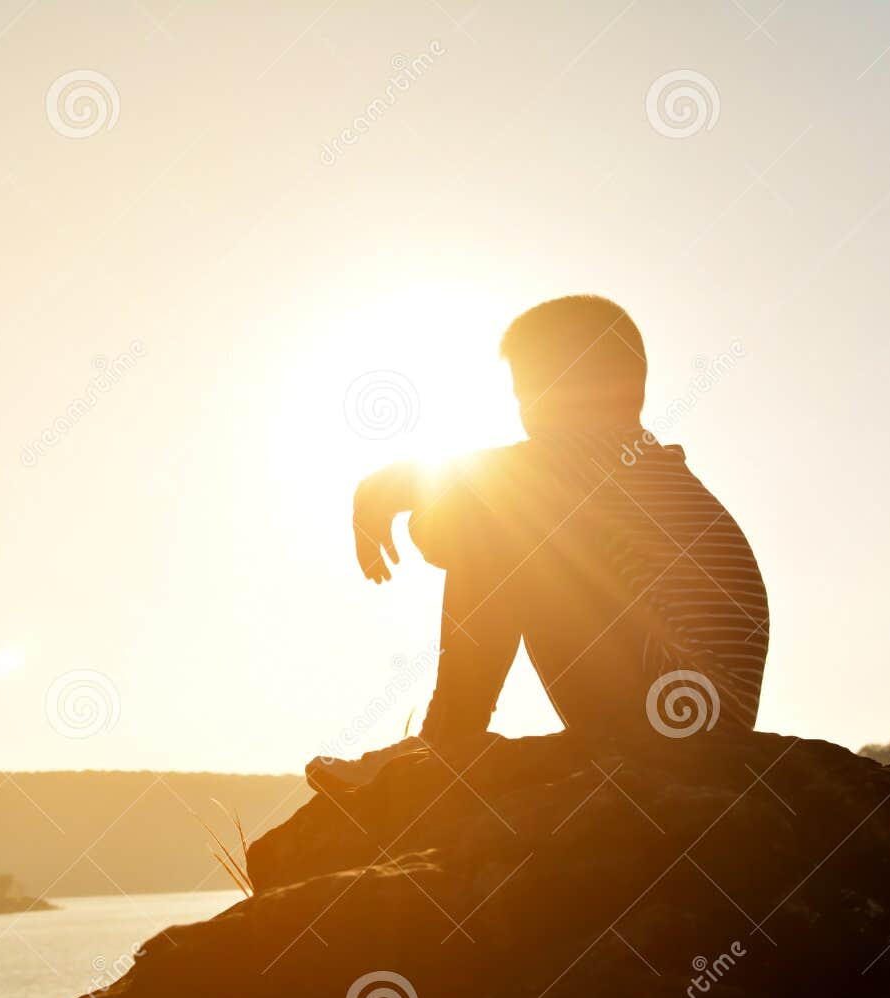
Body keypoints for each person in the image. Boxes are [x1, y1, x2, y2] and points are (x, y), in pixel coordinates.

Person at [308, 295, 769, 793]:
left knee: (505, 528)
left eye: (532, 390)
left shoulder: (601, 455)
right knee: (506, 523)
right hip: (685, 714)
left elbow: (449, 514)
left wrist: (373, 495)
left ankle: (445, 743)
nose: (525, 411)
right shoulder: (637, 466)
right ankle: (448, 744)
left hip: (674, 711)